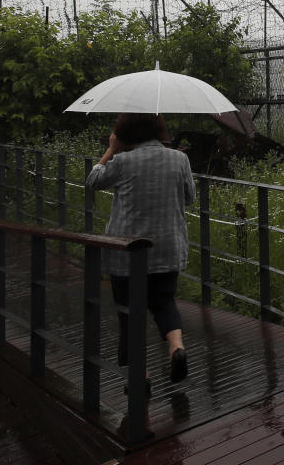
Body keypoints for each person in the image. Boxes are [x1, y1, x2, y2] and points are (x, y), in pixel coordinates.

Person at [86, 113, 194, 392]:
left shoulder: (122, 161)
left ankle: (140, 378)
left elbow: (93, 181)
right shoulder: (179, 159)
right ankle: (176, 348)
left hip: (128, 252)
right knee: (164, 302)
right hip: (167, 247)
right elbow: (190, 198)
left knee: (129, 314)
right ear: (159, 130)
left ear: (125, 133)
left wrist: (111, 149)